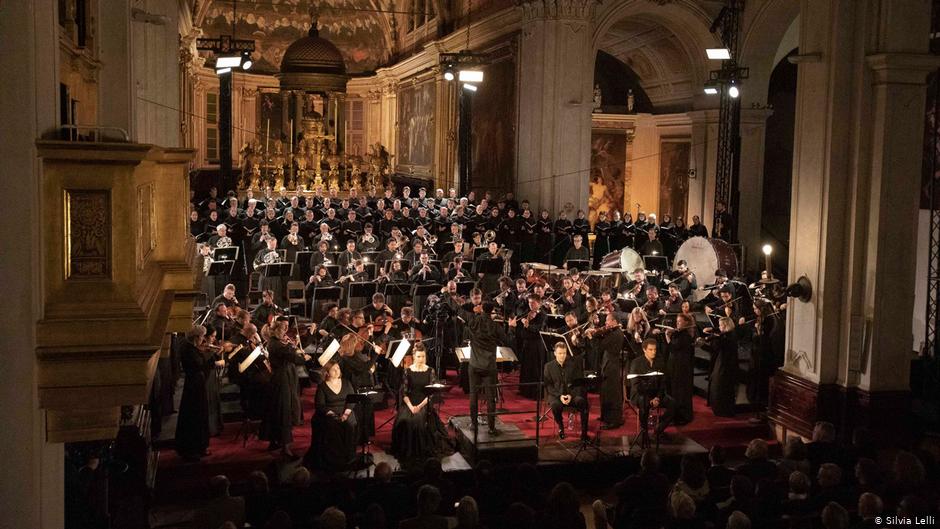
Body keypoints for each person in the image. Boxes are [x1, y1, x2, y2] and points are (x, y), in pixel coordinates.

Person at [457, 302, 517, 435]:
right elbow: (508, 341)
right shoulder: (495, 326)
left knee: (473, 395)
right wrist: (512, 327)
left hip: (474, 365)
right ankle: (491, 428)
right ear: (492, 311)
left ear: (482, 309)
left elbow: (459, 310)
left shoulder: (473, 321)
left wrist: (474, 310)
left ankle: (473, 424)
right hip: (490, 366)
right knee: (491, 398)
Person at [260, 324, 310, 458]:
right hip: (281, 379)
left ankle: (274, 441)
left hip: (281, 377)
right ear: (275, 332)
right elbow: (293, 357)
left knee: (277, 410)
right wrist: (301, 356)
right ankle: (285, 447)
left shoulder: (275, 343)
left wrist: (291, 345)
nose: (285, 334)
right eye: (282, 331)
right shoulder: (276, 345)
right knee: (284, 410)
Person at [176, 325, 224, 461]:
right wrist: (213, 358)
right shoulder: (188, 350)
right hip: (194, 387)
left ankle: (199, 446)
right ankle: (193, 449)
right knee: (195, 416)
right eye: (202, 337)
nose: (203, 340)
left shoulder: (192, 348)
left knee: (200, 414)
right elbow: (199, 364)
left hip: (197, 384)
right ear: (196, 337)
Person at [391, 345, 447, 462]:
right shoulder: (408, 371)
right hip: (410, 402)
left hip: (424, 401)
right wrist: (411, 407)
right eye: (418, 356)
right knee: (404, 420)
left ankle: (420, 451)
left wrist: (420, 406)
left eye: (423, 356)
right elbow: (405, 393)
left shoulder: (430, 371)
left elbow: (431, 394)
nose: (421, 359)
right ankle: (407, 450)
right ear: (414, 357)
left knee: (419, 422)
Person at [305, 361, 358, 472]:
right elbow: (320, 405)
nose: (336, 371)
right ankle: (335, 458)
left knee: (351, 423)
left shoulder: (346, 382)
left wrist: (345, 414)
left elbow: (352, 401)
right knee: (332, 425)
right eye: (333, 369)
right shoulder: (322, 386)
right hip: (329, 413)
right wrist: (333, 415)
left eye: (338, 368)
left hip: (345, 411)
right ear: (327, 373)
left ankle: (349, 455)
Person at [628, 338, 677, 443]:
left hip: (656, 394)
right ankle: (644, 432)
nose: (653, 352)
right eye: (650, 349)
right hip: (640, 395)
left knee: (672, 403)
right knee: (643, 402)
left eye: (655, 349)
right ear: (644, 350)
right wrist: (650, 400)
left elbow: (662, 383)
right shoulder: (636, 363)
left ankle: (658, 429)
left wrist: (657, 397)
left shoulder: (659, 362)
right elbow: (635, 385)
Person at [585, 311, 626, 429]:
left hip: (612, 366)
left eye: (607, 320)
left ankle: (614, 420)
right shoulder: (612, 332)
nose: (605, 323)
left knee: (612, 393)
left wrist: (591, 337)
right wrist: (598, 332)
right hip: (607, 363)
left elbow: (600, 347)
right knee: (605, 392)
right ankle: (606, 416)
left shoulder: (616, 334)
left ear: (614, 321)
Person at [543, 342, 590, 440]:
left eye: (564, 353)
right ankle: (561, 427)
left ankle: (584, 433)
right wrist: (560, 396)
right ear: (555, 353)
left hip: (571, 394)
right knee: (555, 406)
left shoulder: (572, 364)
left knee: (583, 402)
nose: (562, 356)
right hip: (556, 396)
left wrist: (570, 396)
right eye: (560, 353)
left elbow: (577, 383)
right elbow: (549, 386)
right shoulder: (548, 366)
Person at [700, 317, 739, 417]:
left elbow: (714, 348)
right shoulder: (730, 334)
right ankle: (721, 408)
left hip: (725, 365)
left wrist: (702, 345)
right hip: (726, 364)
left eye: (721, 325)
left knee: (720, 387)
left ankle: (721, 409)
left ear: (725, 326)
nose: (719, 327)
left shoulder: (726, 337)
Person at [665, 313, 696, 425]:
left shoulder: (686, 336)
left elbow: (673, 348)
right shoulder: (679, 333)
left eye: (679, 321)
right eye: (677, 321)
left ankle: (682, 416)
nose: (677, 323)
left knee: (680, 392)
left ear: (686, 323)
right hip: (675, 366)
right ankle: (674, 413)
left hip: (681, 367)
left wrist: (668, 336)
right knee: (674, 391)